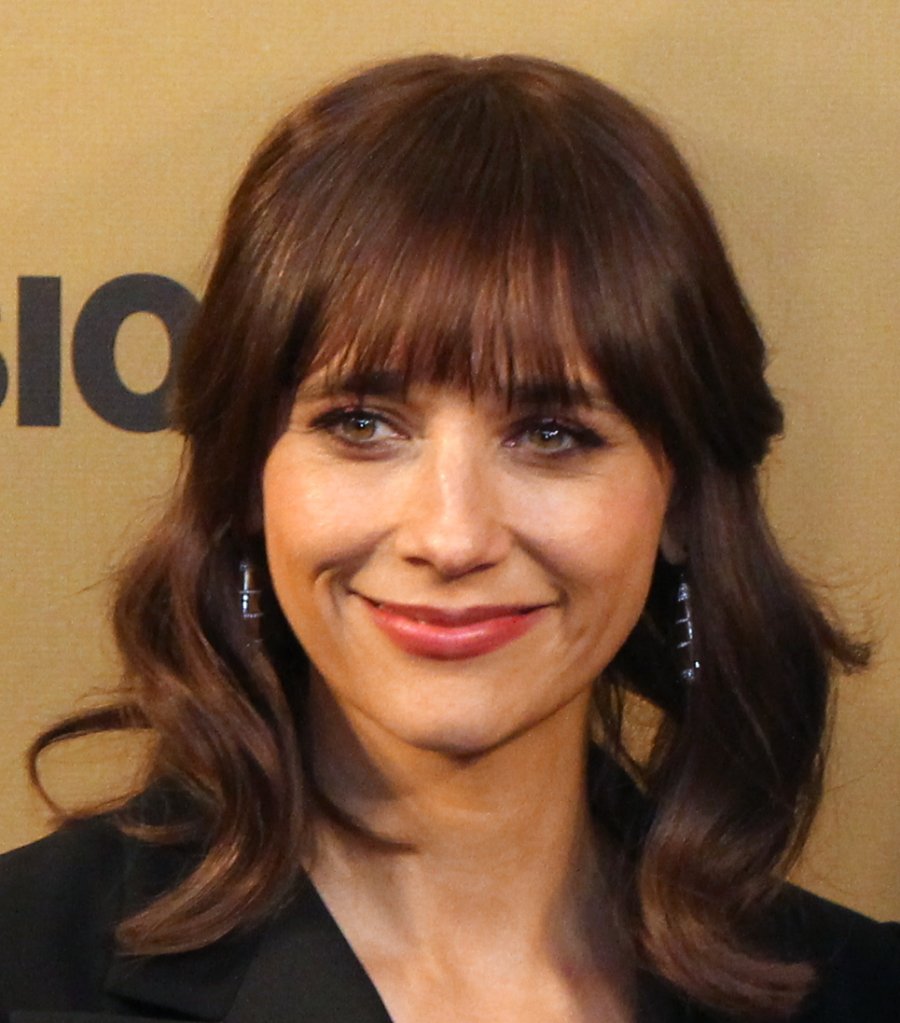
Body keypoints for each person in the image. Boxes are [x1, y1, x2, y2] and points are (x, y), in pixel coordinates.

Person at [0, 53, 896, 1023]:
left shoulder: (858, 991)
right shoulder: (28, 964)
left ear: (679, 498)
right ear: (248, 474)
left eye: (552, 435)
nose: (452, 535)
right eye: (362, 424)